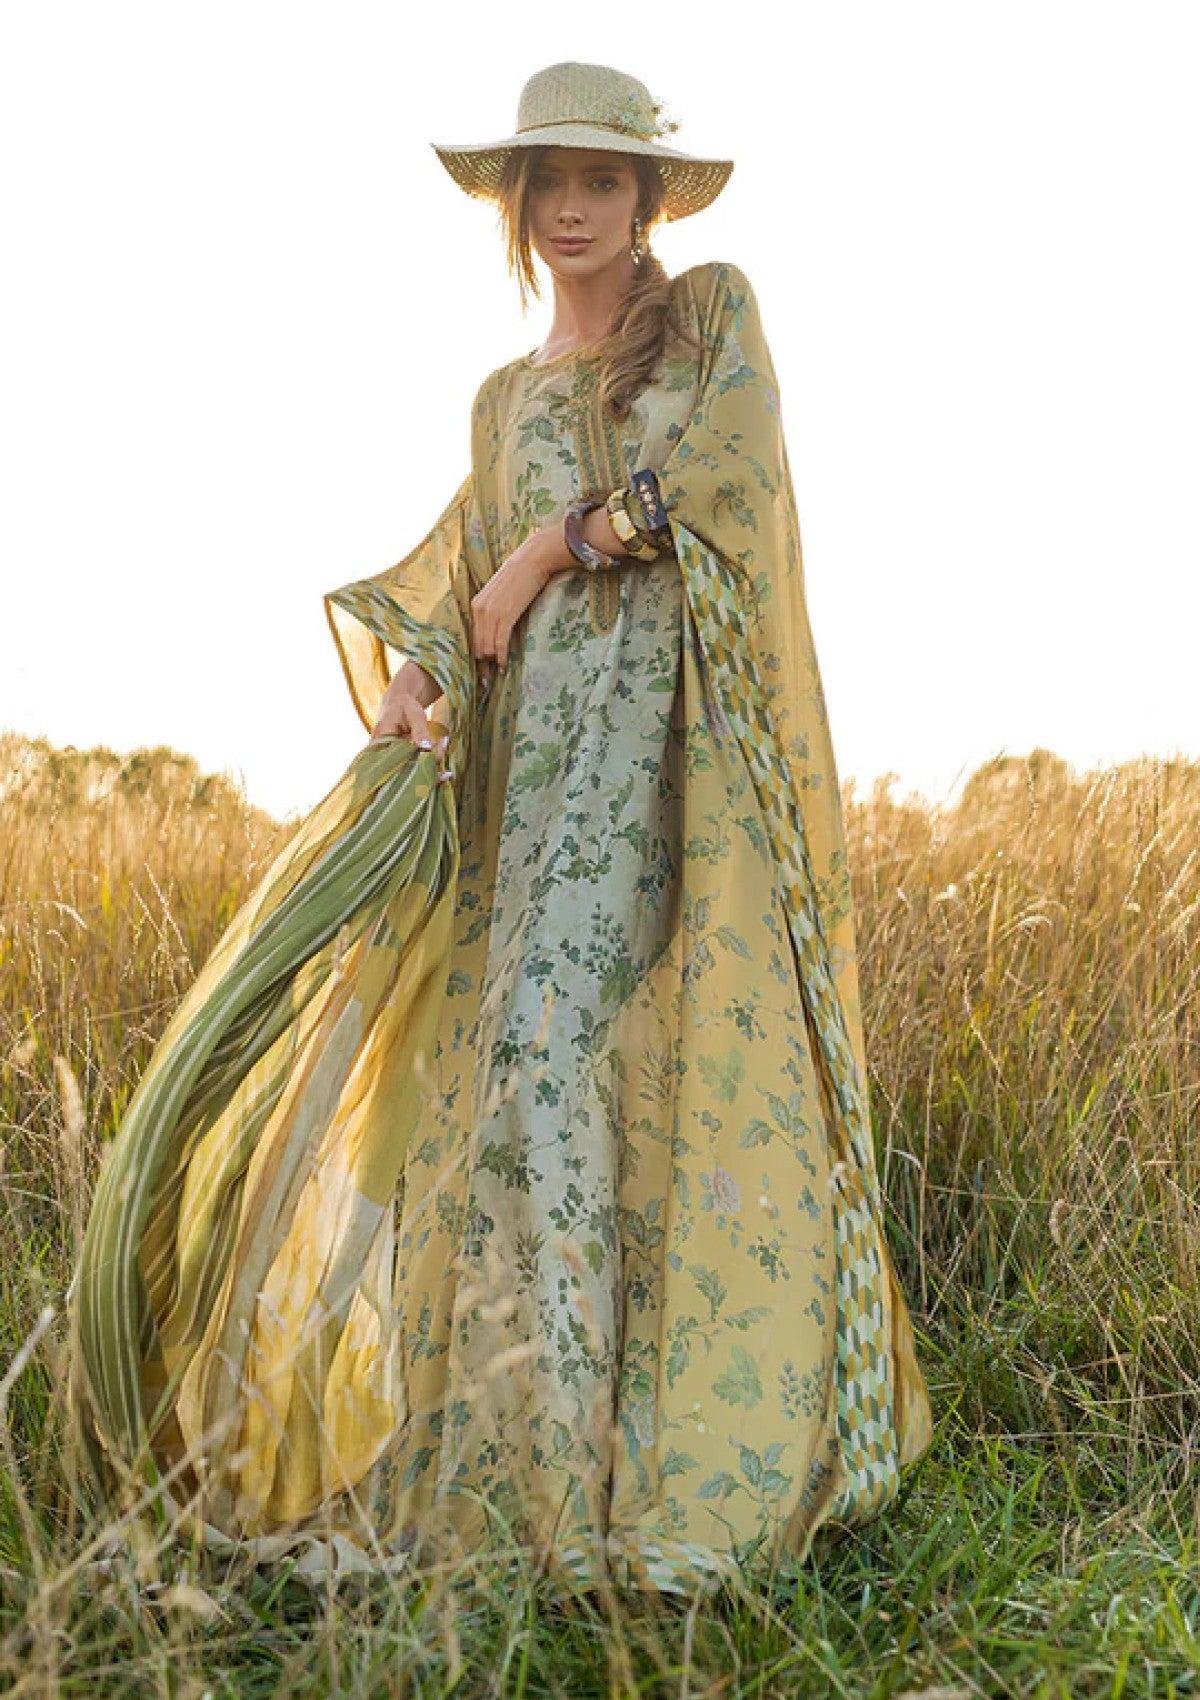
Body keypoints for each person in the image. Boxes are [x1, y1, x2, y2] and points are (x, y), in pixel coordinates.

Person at [69, 60, 934, 1596]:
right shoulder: (501, 399)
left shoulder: (713, 315)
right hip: (531, 782)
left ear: (648, 198)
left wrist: (550, 548)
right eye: (549, 182)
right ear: (517, 205)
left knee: (584, 1064)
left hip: (675, 771)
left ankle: (646, 1459)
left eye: (603, 179)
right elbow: (461, 565)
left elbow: (720, 477)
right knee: (526, 1085)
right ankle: (536, 1456)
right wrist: (416, 670)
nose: (572, 206)